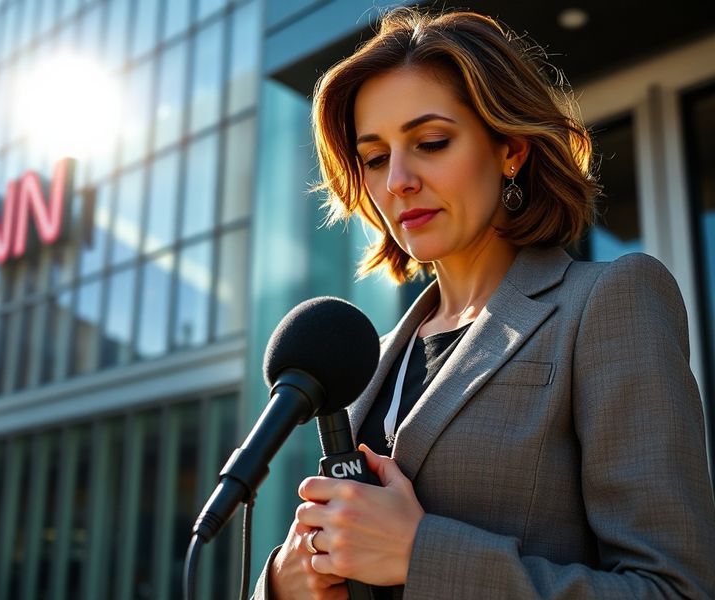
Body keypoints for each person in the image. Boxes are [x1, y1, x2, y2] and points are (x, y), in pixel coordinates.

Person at [254, 7, 715, 599]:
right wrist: (285, 583)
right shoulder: (372, 356)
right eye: (374, 157)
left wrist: (421, 555)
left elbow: (674, 589)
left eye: (431, 142)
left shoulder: (608, 301)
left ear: (510, 150)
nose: (398, 179)